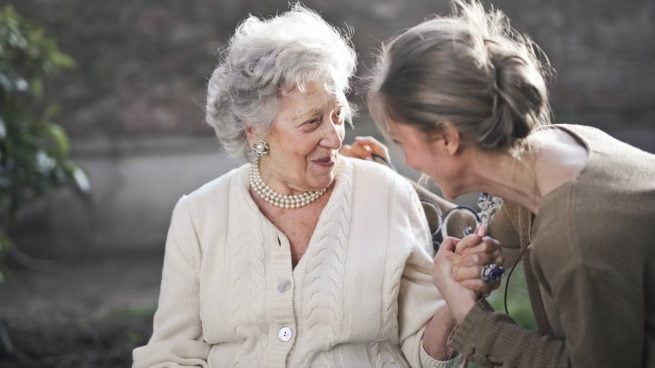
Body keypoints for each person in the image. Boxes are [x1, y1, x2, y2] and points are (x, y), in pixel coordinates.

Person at [132, 5, 503, 367]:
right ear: (255, 130)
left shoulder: (388, 196)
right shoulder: (199, 215)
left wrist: (456, 299)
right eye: (311, 122)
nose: (334, 136)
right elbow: (172, 353)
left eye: (338, 115)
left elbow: (423, 354)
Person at [366, 0, 655, 367]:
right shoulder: (555, 149)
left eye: (402, 142)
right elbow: (495, 243)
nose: (408, 161)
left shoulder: (574, 234)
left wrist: (473, 319)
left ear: (448, 138)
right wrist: (470, 266)